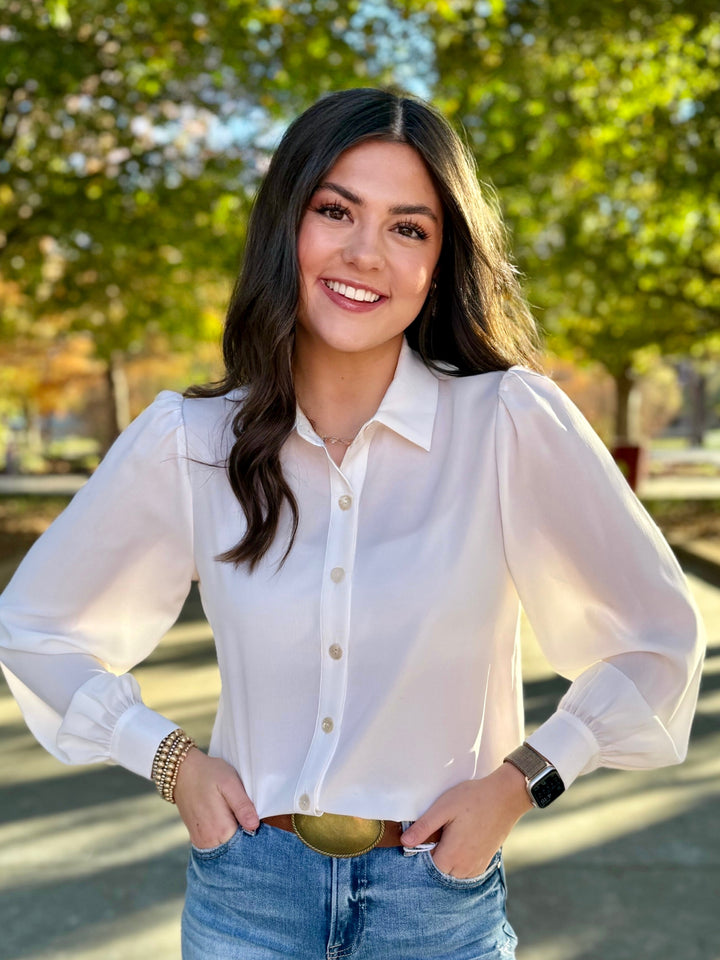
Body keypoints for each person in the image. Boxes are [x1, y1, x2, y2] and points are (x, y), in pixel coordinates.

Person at [0, 88, 705, 960]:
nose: (365, 253)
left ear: (440, 263)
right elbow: (35, 628)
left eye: (409, 228)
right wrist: (170, 760)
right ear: (285, 227)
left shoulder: (508, 424)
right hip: (244, 899)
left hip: (435, 904)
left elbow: (658, 639)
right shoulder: (192, 442)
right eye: (336, 210)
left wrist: (524, 781)